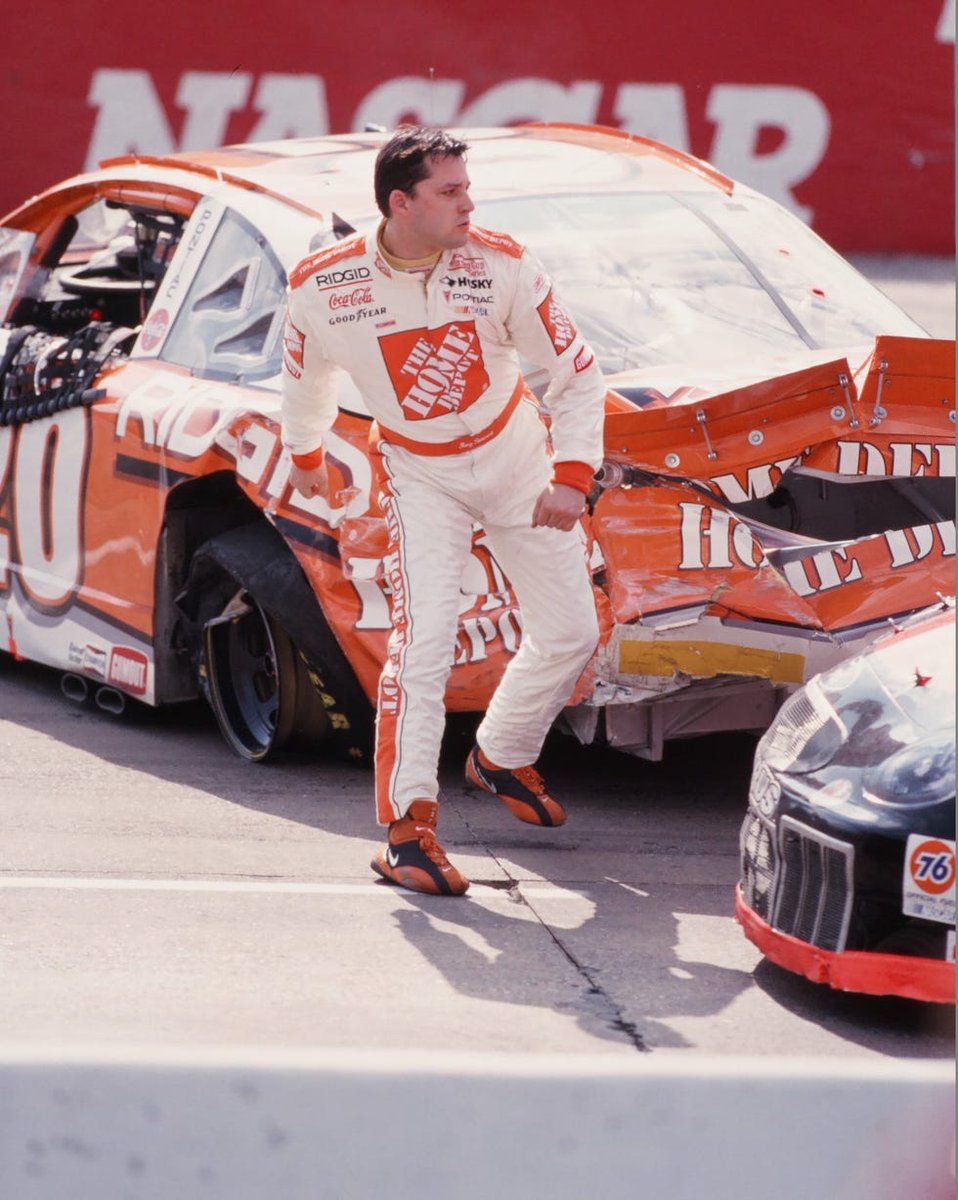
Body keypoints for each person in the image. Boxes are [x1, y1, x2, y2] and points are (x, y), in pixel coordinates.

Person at [281, 125, 605, 896]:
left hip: (519, 457)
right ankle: (406, 831)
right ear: (401, 202)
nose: (469, 202)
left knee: (571, 630)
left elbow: (577, 372)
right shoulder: (323, 283)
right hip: (420, 475)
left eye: (467, 186)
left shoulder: (502, 263)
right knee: (422, 645)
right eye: (450, 191)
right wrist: (305, 454)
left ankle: (500, 752)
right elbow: (304, 382)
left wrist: (572, 473)